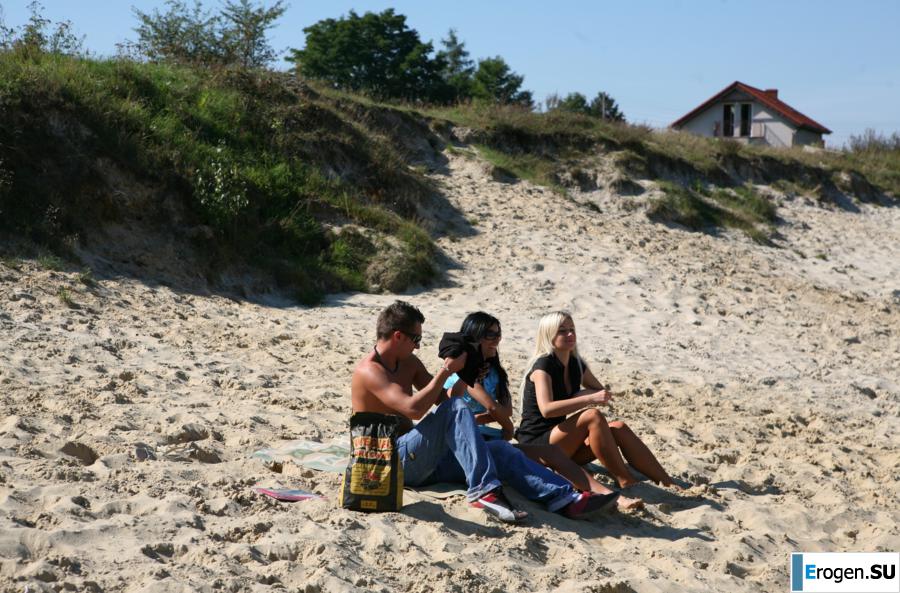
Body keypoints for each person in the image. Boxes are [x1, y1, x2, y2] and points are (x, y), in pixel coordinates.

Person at [350, 301, 618, 524]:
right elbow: (415, 409)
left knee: (501, 450)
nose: (418, 346)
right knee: (457, 410)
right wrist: (446, 371)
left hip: (423, 458)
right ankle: (484, 491)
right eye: (416, 339)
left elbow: (444, 400)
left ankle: (564, 498)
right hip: (389, 462)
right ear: (398, 335)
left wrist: (465, 376)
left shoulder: (409, 362)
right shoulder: (369, 371)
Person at [445, 311, 642, 510]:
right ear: (473, 338)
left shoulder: (493, 371)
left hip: (493, 439)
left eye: (498, 334)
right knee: (553, 450)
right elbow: (491, 409)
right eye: (490, 335)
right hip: (470, 446)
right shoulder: (465, 375)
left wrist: (489, 420)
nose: (497, 339)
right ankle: (598, 495)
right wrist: (495, 420)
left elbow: (506, 414)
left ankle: (611, 496)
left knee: (553, 453)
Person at [517, 311, 676, 490]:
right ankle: (626, 480)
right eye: (562, 331)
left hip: (562, 443)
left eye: (572, 329)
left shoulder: (576, 363)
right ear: (548, 335)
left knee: (618, 428)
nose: (570, 334)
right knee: (592, 415)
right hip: (536, 446)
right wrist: (587, 398)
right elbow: (547, 409)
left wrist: (582, 396)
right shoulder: (543, 366)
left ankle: (667, 481)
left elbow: (601, 392)